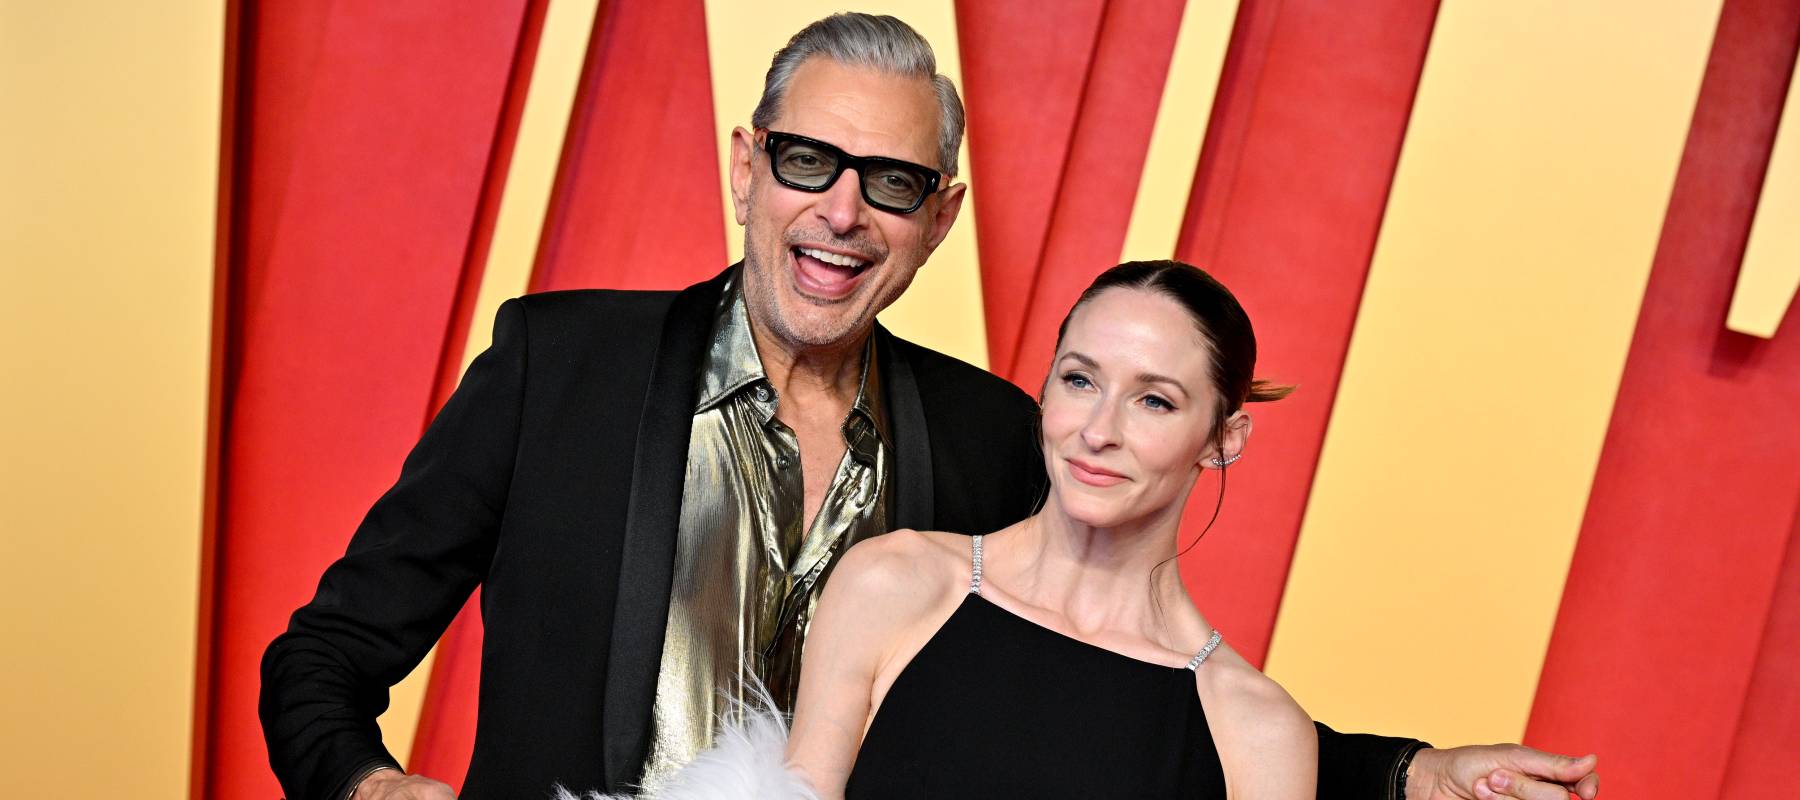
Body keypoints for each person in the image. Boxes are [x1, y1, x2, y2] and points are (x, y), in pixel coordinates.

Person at [261, 13, 1600, 800]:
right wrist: (375, 791)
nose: (841, 213)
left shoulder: (989, 440)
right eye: (807, 162)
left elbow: (1122, 686)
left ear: (941, 218)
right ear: (747, 167)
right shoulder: (566, 368)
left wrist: (1401, 775)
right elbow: (316, 665)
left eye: (892, 183)